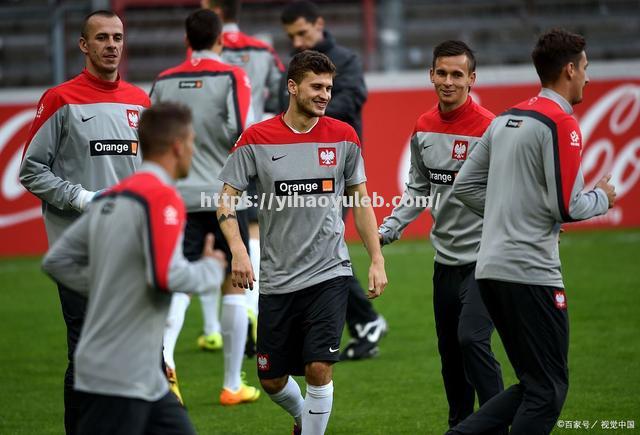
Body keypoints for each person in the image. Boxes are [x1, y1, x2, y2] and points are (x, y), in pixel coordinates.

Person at [449, 29, 616, 434]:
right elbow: (568, 204)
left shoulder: (506, 116)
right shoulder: (561, 121)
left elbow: (464, 187)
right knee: (549, 391)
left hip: (489, 269)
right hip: (531, 272)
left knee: (534, 384)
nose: (589, 79)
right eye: (586, 69)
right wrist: (604, 198)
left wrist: (510, 216)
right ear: (570, 69)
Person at [216, 50, 388, 435]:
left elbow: (360, 201)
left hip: (330, 273)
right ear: (292, 88)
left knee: (318, 368)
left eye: (329, 87)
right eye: (316, 86)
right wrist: (240, 250)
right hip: (277, 279)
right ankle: (302, 418)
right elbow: (226, 200)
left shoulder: (344, 136)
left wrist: (376, 258)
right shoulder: (256, 139)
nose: (325, 94)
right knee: (271, 380)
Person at [41, 102, 227, 435]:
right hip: (118, 377)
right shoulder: (163, 197)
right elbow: (165, 275)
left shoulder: (111, 196)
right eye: (192, 141)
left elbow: (57, 260)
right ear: (177, 146)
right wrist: (211, 270)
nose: (193, 150)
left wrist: (106, 286)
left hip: (144, 377)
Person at [19, 10, 150, 434]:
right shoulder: (60, 99)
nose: (112, 45)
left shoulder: (139, 100)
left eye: (118, 37)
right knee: (87, 354)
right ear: (84, 45)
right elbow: (31, 169)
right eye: (102, 38)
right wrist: (82, 197)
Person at [378, 40, 505, 431]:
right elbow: (419, 188)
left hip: (487, 262)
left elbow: (514, 189)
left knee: (471, 341)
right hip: (444, 264)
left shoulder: (491, 128)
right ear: (431, 75)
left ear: (472, 79)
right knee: (451, 355)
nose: (448, 82)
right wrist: (391, 225)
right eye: (442, 73)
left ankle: (497, 425)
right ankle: (460, 426)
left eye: (457, 74)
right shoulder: (424, 127)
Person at [150, 9, 259, 406]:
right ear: (220, 41)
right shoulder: (233, 75)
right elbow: (243, 130)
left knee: (178, 281)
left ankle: (164, 366)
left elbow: (147, 134)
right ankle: (231, 385)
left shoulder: (162, 80)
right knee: (236, 280)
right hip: (223, 195)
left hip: (175, 198)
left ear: (186, 41)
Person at [280, 0, 386, 361]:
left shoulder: (347, 60)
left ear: (319, 24)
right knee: (314, 245)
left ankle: (366, 321)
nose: (297, 41)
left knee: (326, 245)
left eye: (302, 32)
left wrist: (312, 111)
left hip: (336, 168)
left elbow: (353, 97)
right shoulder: (292, 65)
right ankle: (360, 322)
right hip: (297, 168)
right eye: (291, 35)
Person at [205, 0, 286, 357]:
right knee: (253, 229)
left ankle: (212, 328)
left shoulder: (203, 54)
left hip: (213, 157)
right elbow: (285, 94)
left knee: (210, 237)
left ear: (211, 8)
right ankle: (253, 311)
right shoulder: (264, 50)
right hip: (258, 147)